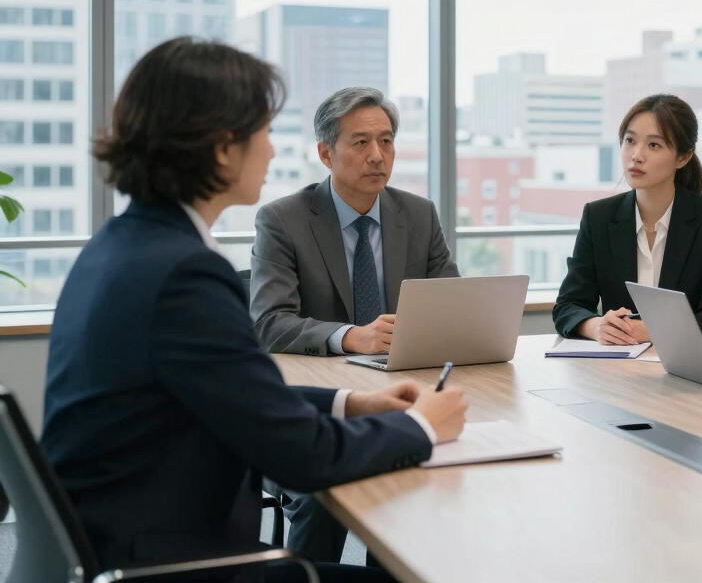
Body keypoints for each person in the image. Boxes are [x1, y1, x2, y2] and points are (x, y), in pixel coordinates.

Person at [41, 37, 468, 583]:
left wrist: (349, 402)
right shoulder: (185, 274)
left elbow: (232, 389)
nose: (269, 150)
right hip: (182, 565)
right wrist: (422, 429)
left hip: (128, 548)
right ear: (221, 147)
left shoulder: (123, 245)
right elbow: (301, 455)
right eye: (263, 131)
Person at [249, 86, 460, 565]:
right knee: (323, 494)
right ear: (326, 153)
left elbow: (451, 304)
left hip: (405, 387)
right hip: (325, 402)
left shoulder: (419, 214)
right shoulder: (283, 219)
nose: (377, 156)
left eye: (386, 141)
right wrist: (349, 335)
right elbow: (268, 322)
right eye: (360, 143)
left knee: (439, 477)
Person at [553, 94, 702, 346]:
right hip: (617, 371)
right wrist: (596, 326)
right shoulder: (599, 218)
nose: (636, 155)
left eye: (654, 145)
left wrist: (650, 331)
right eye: (630, 141)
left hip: (688, 371)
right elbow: (568, 305)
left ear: (683, 157)